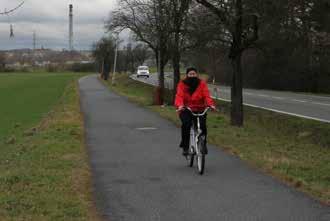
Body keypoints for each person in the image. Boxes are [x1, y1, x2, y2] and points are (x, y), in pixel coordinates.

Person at [175, 67, 216, 156]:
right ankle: (185, 147)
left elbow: (206, 95)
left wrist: (211, 104)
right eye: (190, 74)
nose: (192, 75)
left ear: (196, 74)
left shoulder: (202, 84)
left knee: (203, 126)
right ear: (187, 75)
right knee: (186, 124)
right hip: (186, 109)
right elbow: (179, 96)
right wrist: (180, 105)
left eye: (194, 74)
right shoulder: (182, 84)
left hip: (200, 108)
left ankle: (203, 144)